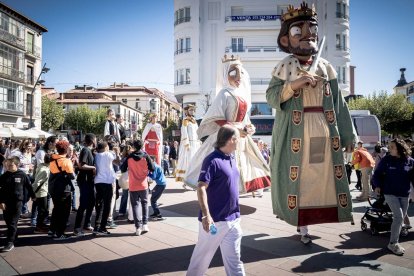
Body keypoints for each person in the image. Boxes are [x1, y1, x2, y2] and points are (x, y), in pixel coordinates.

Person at [265, 2, 356, 244]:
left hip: (323, 135)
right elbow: (271, 97)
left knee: (319, 178)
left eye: (312, 29)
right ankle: (302, 226)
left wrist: (349, 135)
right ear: (286, 40)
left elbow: (339, 104)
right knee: (300, 179)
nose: (307, 34)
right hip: (295, 133)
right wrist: (293, 86)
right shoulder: (284, 66)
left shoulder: (326, 67)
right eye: (298, 31)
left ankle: (313, 219)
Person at [184, 55, 271, 195]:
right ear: (225, 74)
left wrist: (249, 127)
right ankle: (225, 191)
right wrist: (236, 128)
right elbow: (216, 118)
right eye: (233, 72)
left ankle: (239, 190)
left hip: (241, 136)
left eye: (240, 73)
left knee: (247, 162)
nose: (238, 77)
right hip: (225, 135)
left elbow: (245, 118)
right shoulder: (223, 94)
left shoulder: (241, 96)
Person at [187, 125, 245, 275]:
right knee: (200, 262)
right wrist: (207, 216)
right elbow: (201, 188)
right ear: (231, 140)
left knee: (235, 262)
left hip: (233, 220)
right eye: (237, 138)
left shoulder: (232, 157)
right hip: (214, 222)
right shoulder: (212, 160)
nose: (239, 141)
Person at [372, 139, 414, 256]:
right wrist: (377, 186)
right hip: (390, 193)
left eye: (392, 147)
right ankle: (393, 243)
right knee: (399, 216)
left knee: (399, 219)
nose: (389, 149)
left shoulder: (410, 161)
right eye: (389, 147)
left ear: (400, 149)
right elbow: (377, 174)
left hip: (404, 194)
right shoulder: (387, 160)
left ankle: (394, 242)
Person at [0, 156, 35, 252]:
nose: (8, 167)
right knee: (8, 221)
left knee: (12, 222)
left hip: (17, 202)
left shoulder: (22, 175)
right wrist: (1, 201)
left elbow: (29, 186)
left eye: (11, 166)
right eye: (7, 166)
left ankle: (10, 242)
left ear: (17, 165)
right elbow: (1, 190)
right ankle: (14, 236)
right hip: (6, 203)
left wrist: (33, 196)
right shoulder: (5, 175)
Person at [120, 140, 155, 236]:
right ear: (142, 146)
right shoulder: (145, 156)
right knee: (144, 204)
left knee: (135, 205)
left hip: (133, 185)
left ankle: (137, 227)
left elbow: (122, 169)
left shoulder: (129, 157)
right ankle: (145, 224)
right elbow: (153, 168)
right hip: (143, 184)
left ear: (134, 147)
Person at [48, 140, 75, 240]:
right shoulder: (66, 161)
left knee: (56, 209)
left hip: (53, 188)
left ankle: (52, 230)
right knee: (64, 212)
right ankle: (60, 233)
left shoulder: (52, 159)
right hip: (64, 189)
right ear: (66, 149)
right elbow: (72, 176)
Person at [93, 141, 120, 236]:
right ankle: (102, 228)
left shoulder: (96, 155)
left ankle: (97, 226)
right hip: (107, 181)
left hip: (98, 181)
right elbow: (118, 162)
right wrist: (117, 153)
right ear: (105, 147)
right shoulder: (109, 154)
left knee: (99, 204)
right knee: (107, 205)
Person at [73, 133, 96, 236]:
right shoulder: (86, 150)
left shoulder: (89, 150)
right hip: (85, 181)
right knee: (83, 204)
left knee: (91, 202)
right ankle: (77, 228)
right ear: (92, 140)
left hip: (89, 181)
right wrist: (93, 168)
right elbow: (82, 165)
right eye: (95, 139)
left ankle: (87, 224)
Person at [176, 104, 201, 188]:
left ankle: (192, 181)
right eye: (190, 110)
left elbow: (197, 133)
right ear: (187, 111)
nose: (192, 111)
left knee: (195, 163)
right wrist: (187, 144)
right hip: (189, 145)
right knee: (189, 163)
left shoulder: (194, 121)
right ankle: (187, 182)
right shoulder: (185, 120)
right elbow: (184, 133)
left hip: (195, 145)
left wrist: (199, 142)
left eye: (193, 110)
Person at [32, 154, 51, 233]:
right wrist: (33, 194)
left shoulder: (41, 166)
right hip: (41, 192)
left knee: (43, 209)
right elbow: (37, 182)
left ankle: (40, 224)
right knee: (42, 210)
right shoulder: (45, 170)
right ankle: (38, 227)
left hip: (42, 191)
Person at [148, 156, 167, 220]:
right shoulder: (156, 165)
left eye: (149, 160)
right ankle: (156, 213)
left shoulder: (155, 166)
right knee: (153, 198)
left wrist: (147, 174)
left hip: (161, 185)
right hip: (160, 184)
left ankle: (158, 214)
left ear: (152, 160)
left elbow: (153, 177)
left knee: (153, 200)